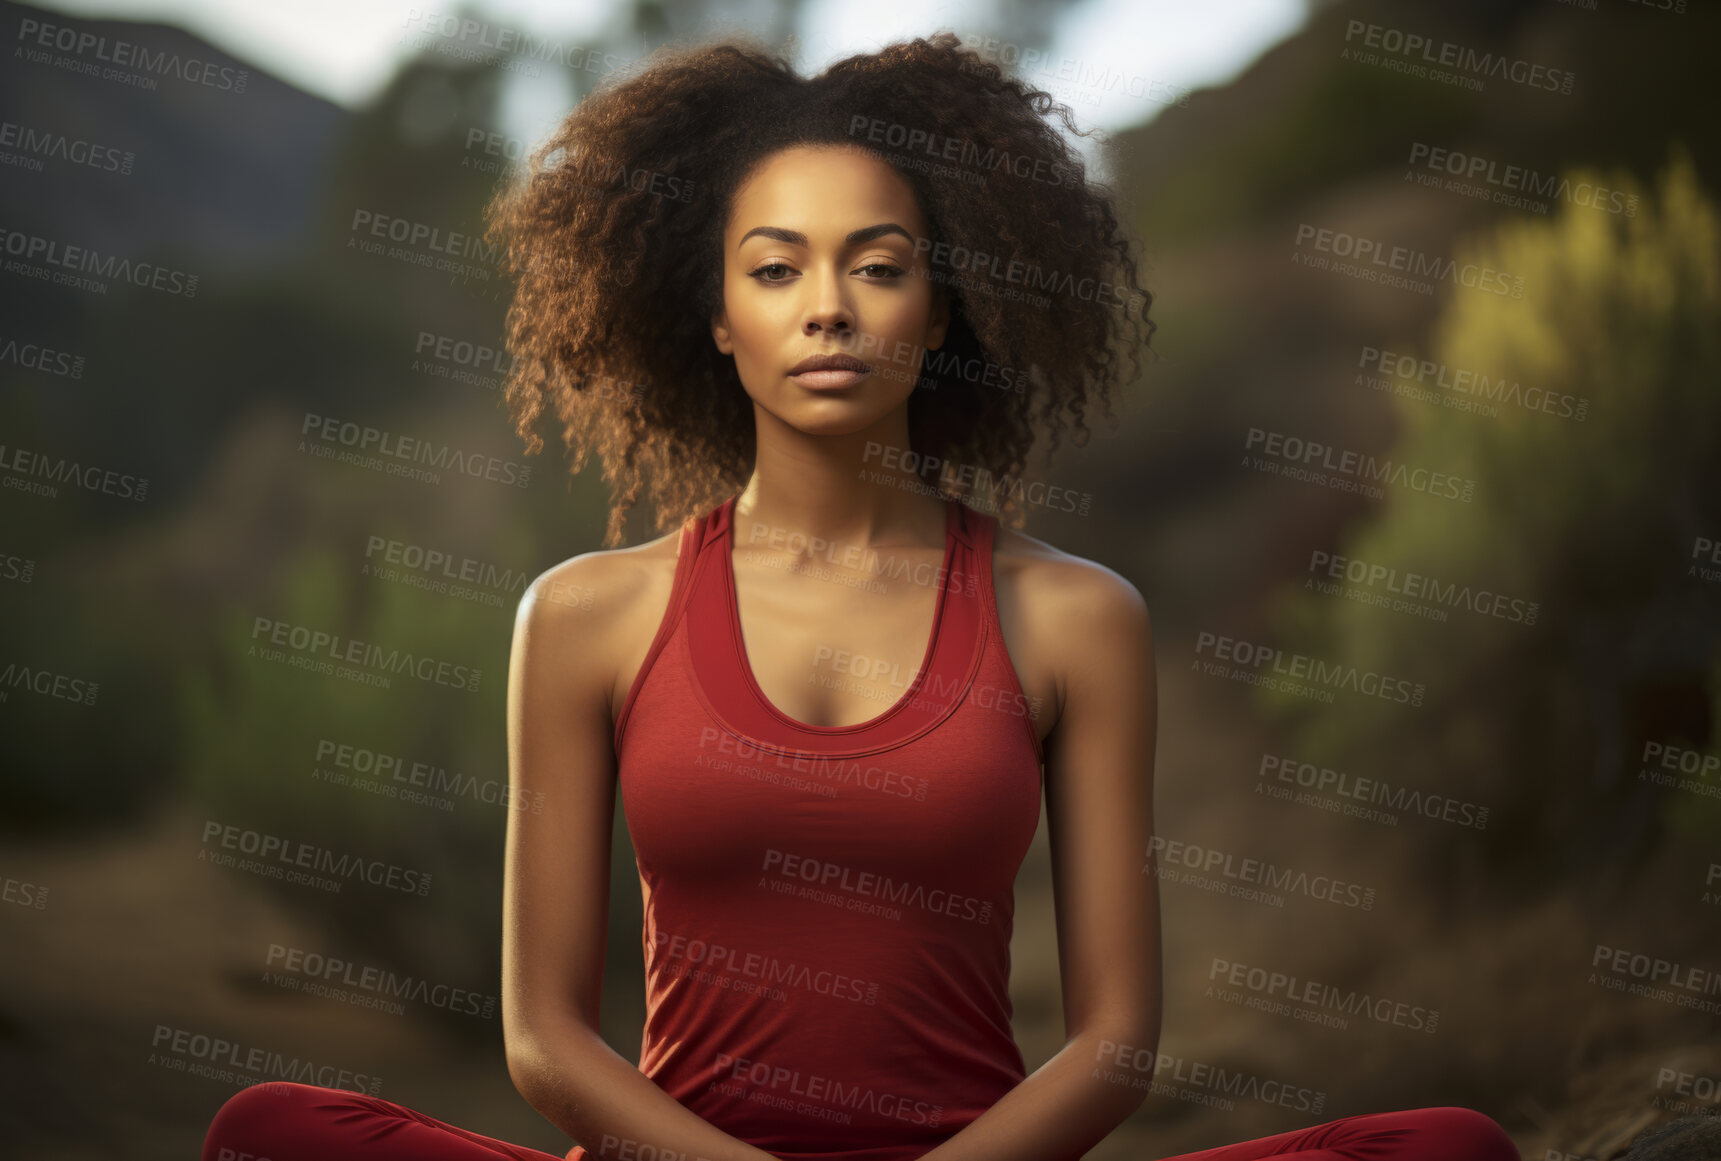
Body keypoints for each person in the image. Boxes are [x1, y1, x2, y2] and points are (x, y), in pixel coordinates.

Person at [200, 32, 1520, 1161]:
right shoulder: (586, 614)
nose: (826, 309)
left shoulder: (1069, 616)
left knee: (1447, 1147)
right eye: (774, 268)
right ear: (711, 314)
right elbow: (545, 1038)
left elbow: (1113, 1042)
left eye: (877, 266)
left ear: (945, 307)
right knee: (270, 1125)